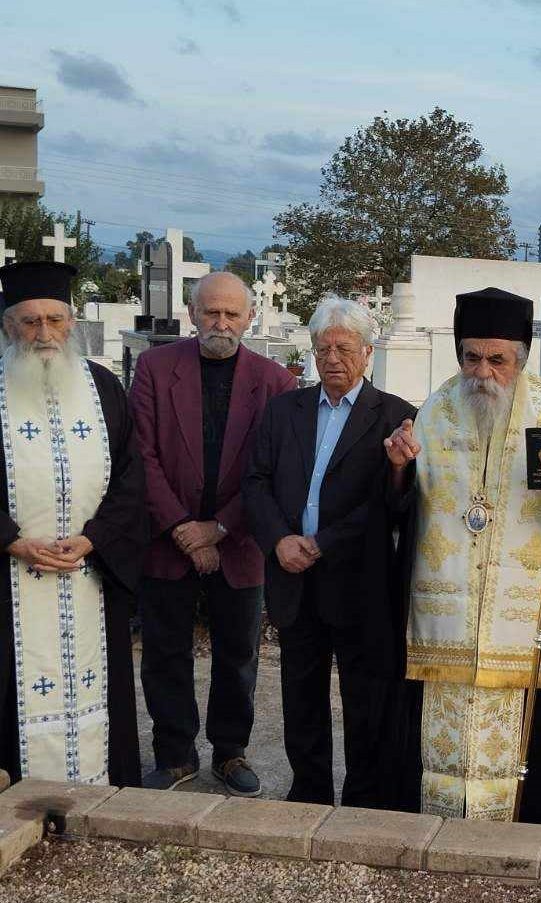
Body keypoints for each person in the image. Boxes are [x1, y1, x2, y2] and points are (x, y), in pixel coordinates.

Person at [386, 287, 541, 824]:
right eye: (472, 357)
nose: (483, 372)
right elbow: (400, 510)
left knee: (523, 765)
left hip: (523, 627)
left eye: (497, 359)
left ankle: (516, 842)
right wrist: (398, 470)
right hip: (443, 625)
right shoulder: (434, 413)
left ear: (520, 358)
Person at [243, 296, 415, 807]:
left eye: (344, 348)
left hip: (357, 582)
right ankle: (309, 792)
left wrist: (321, 543)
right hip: (294, 576)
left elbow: (387, 502)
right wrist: (279, 540)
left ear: (368, 352)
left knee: (364, 700)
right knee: (301, 697)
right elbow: (256, 482)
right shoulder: (285, 410)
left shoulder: (395, 416)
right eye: (323, 349)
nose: (332, 358)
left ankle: (363, 801)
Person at [130, 271, 296, 796]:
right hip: (167, 538)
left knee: (238, 655)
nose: (221, 323)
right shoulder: (156, 368)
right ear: (192, 313)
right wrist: (182, 528)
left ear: (250, 318)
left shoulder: (275, 382)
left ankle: (230, 752)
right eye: (211, 312)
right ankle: (175, 755)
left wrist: (218, 528)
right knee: (165, 653)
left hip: (238, 543)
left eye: (232, 313)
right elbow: (141, 454)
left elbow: (271, 468)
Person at [0, 261, 145, 786]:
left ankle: (101, 794)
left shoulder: (103, 388)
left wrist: (93, 539)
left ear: (71, 323)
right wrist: (12, 541)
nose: (44, 333)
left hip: (89, 579)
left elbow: (131, 477)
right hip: (8, 585)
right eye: (30, 321)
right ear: (8, 326)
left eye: (55, 320)